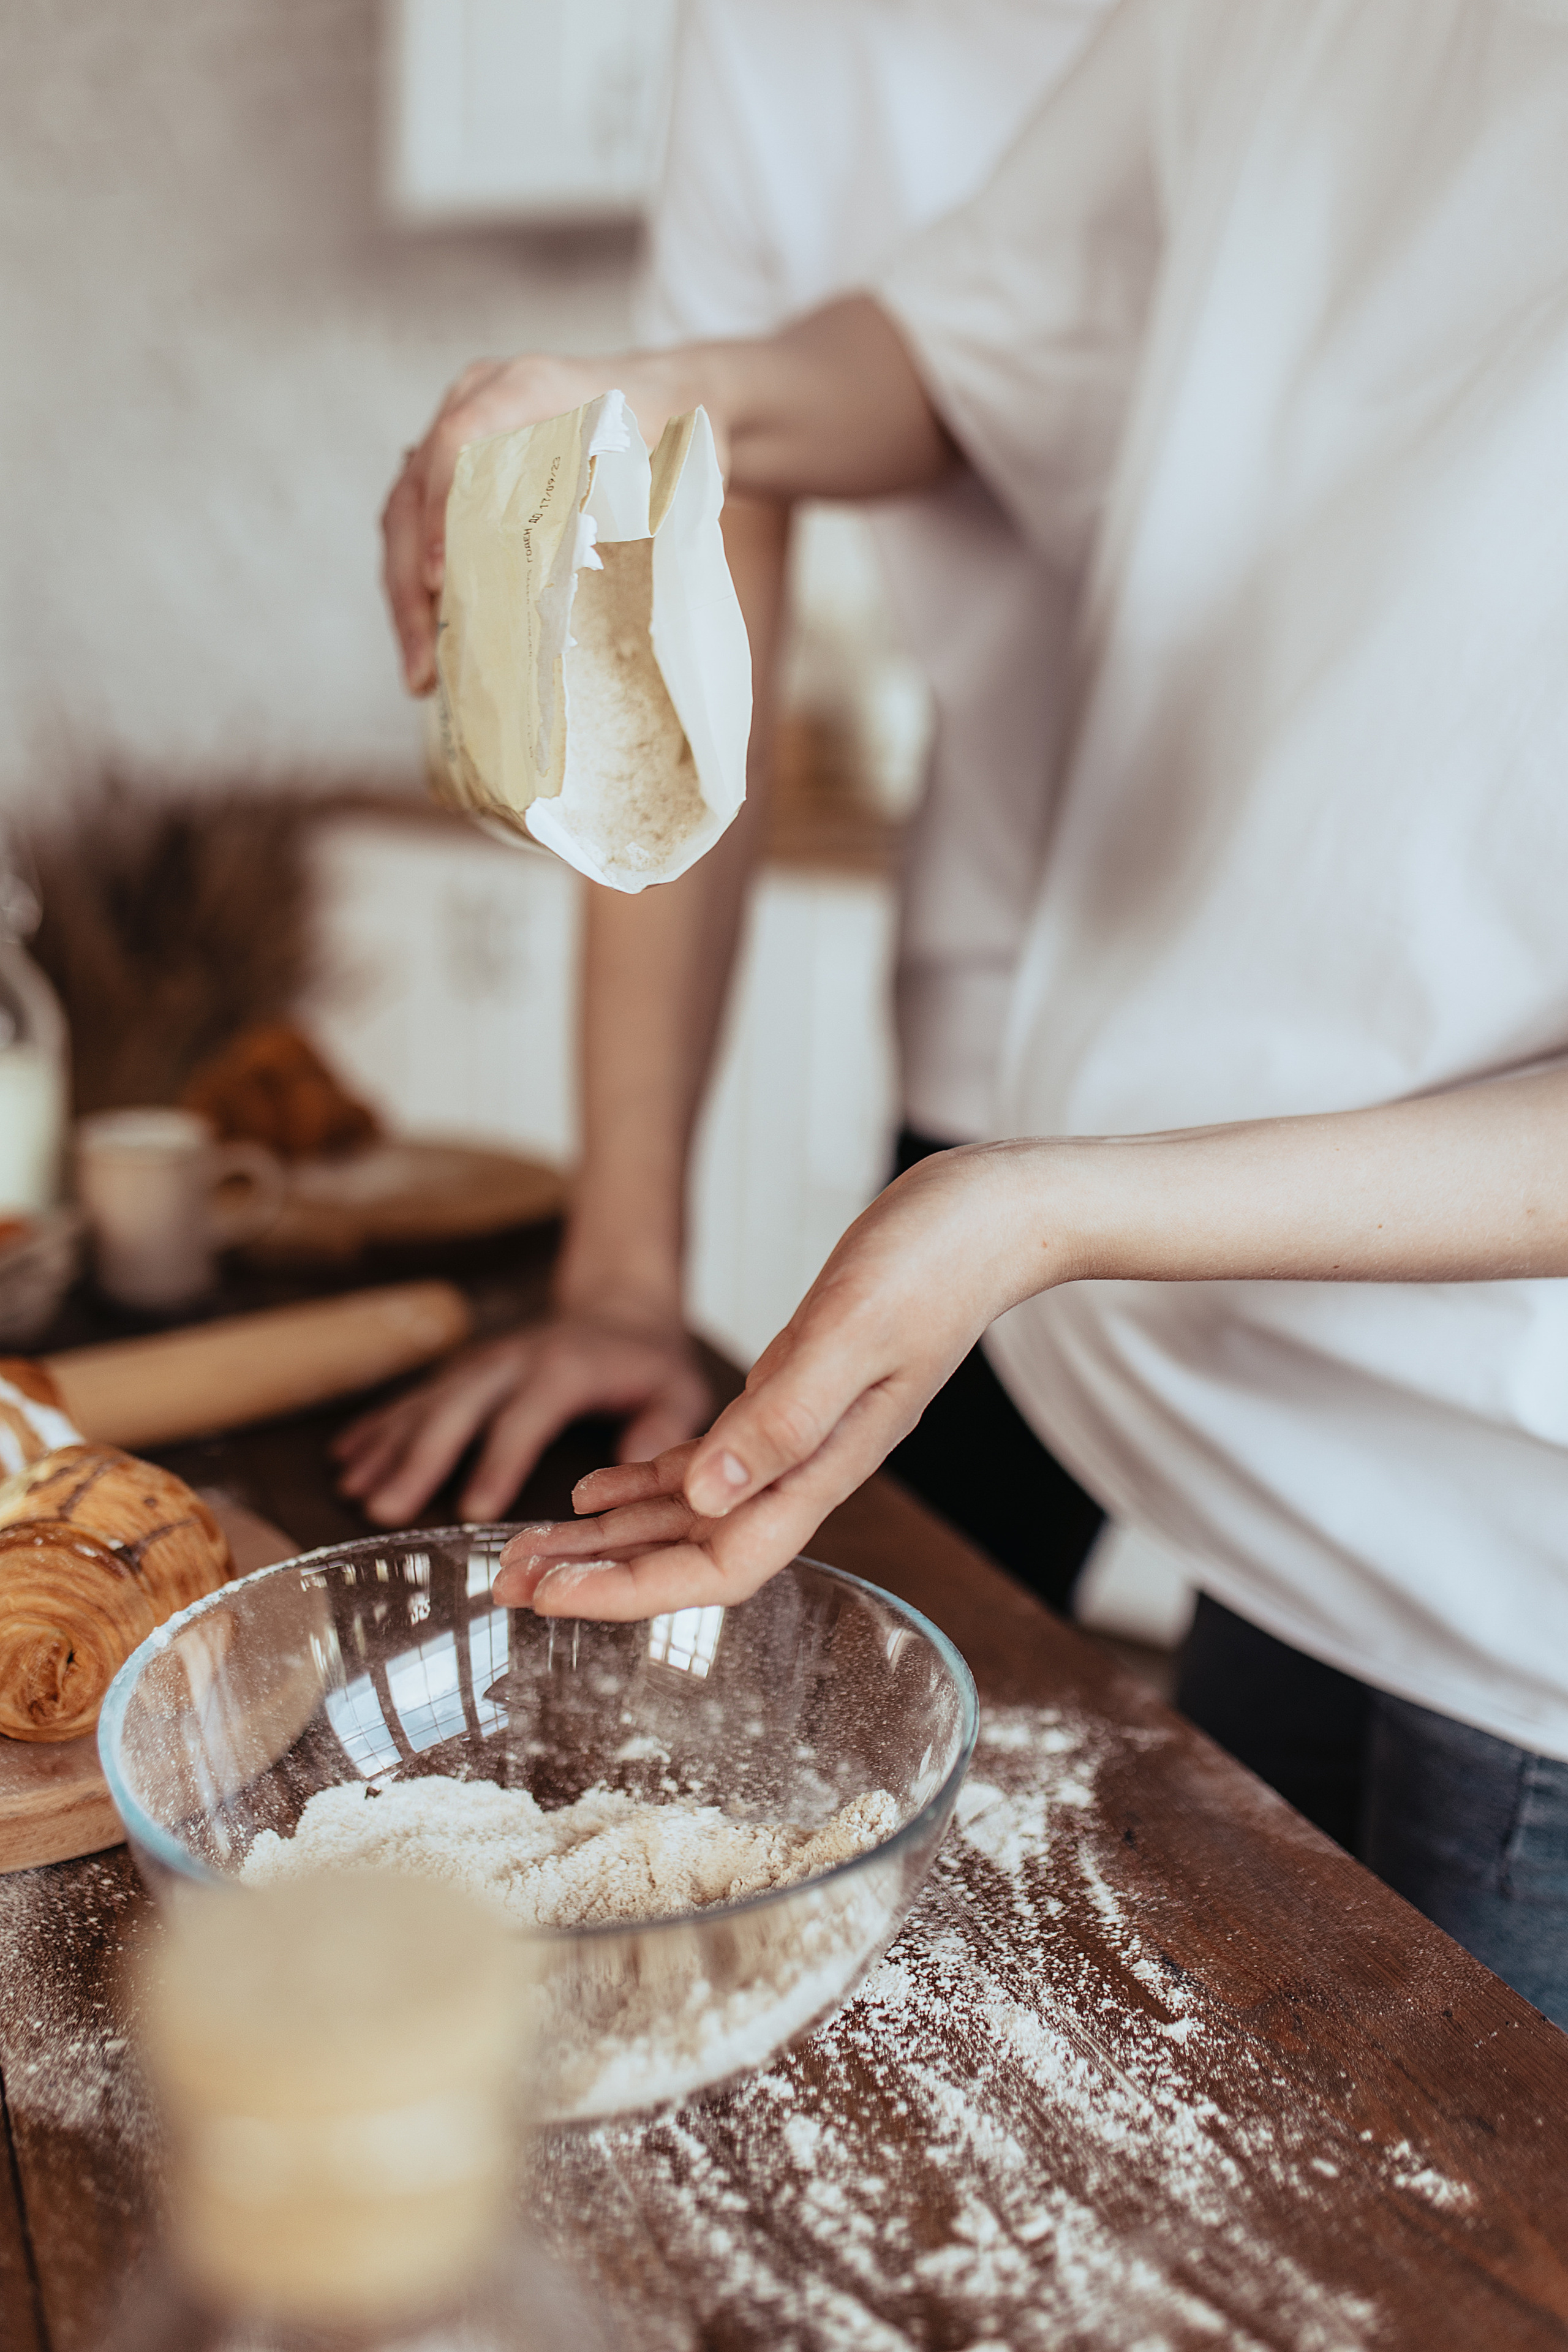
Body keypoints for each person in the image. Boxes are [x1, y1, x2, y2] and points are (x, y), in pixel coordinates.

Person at [375, 0, 1568, 2022]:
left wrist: (1033, 1209)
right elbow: (959, 349)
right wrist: (646, 392)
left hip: (1517, 1565)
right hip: (1250, 1451)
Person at [337, 0, 1115, 1606]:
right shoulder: (765, 45)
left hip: (1384, 1100)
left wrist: (678, 395)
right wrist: (623, 1279)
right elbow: (675, 668)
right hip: (1005, 1048)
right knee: (967, 1640)